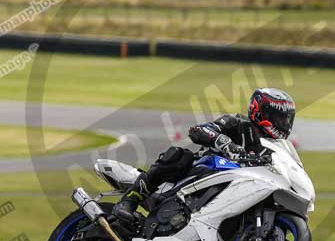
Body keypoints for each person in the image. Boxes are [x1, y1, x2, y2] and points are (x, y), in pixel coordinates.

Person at [112, 86, 296, 225]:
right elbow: (198, 130)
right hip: (204, 172)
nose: (283, 123)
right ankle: (129, 201)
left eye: (286, 118)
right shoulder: (237, 123)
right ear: (261, 111)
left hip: (241, 188)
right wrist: (226, 143)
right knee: (178, 155)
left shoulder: (277, 147)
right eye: (279, 117)